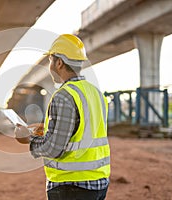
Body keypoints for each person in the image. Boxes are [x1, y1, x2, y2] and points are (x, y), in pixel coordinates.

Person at [14, 34, 110, 200]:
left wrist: (28, 139)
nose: (49, 65)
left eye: (50, 60)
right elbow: (84, 130)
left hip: (72, 185)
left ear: (59, 63)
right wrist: (49, 129)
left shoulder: (64, 96)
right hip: (98, 182)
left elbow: (54, 149)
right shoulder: (96, 93)